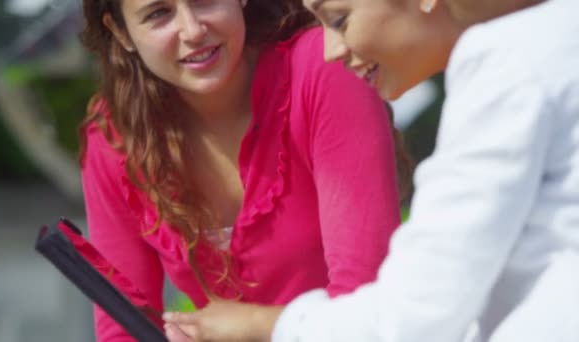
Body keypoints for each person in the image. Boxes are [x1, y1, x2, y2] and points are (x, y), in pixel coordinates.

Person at [165, 0, 579, 341]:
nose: (331, 50)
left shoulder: (506, 63)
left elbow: (417, 316)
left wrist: (261, 325)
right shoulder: (554, 34)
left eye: (340, 20)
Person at [78, 0, 411, 340]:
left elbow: (365, 306)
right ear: (121, 32)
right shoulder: (114, 138)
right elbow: (121, 331)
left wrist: (253, 326)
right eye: (158, 13)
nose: (193, 30)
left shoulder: (322, 68)